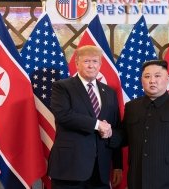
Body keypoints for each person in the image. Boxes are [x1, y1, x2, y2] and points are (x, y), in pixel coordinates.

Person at [48, 45, 122, 189]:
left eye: (95, 61)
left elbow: (115, 128)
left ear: (100, 64)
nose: (91, 65)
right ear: (77, 63)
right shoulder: (62, 87)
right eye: (86, 61)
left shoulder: (109, 92)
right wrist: (97, 124)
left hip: (100, 171)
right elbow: (64, 115)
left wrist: (117, 165)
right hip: (70, 168)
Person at [121, 60, 169, 189]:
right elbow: (123, 137)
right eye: (147, 76)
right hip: (137, 176)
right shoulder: (132, 107)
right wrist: (105, 130)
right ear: (141, 80)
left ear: (167, 79)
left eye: (157, 76)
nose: (152, 80)